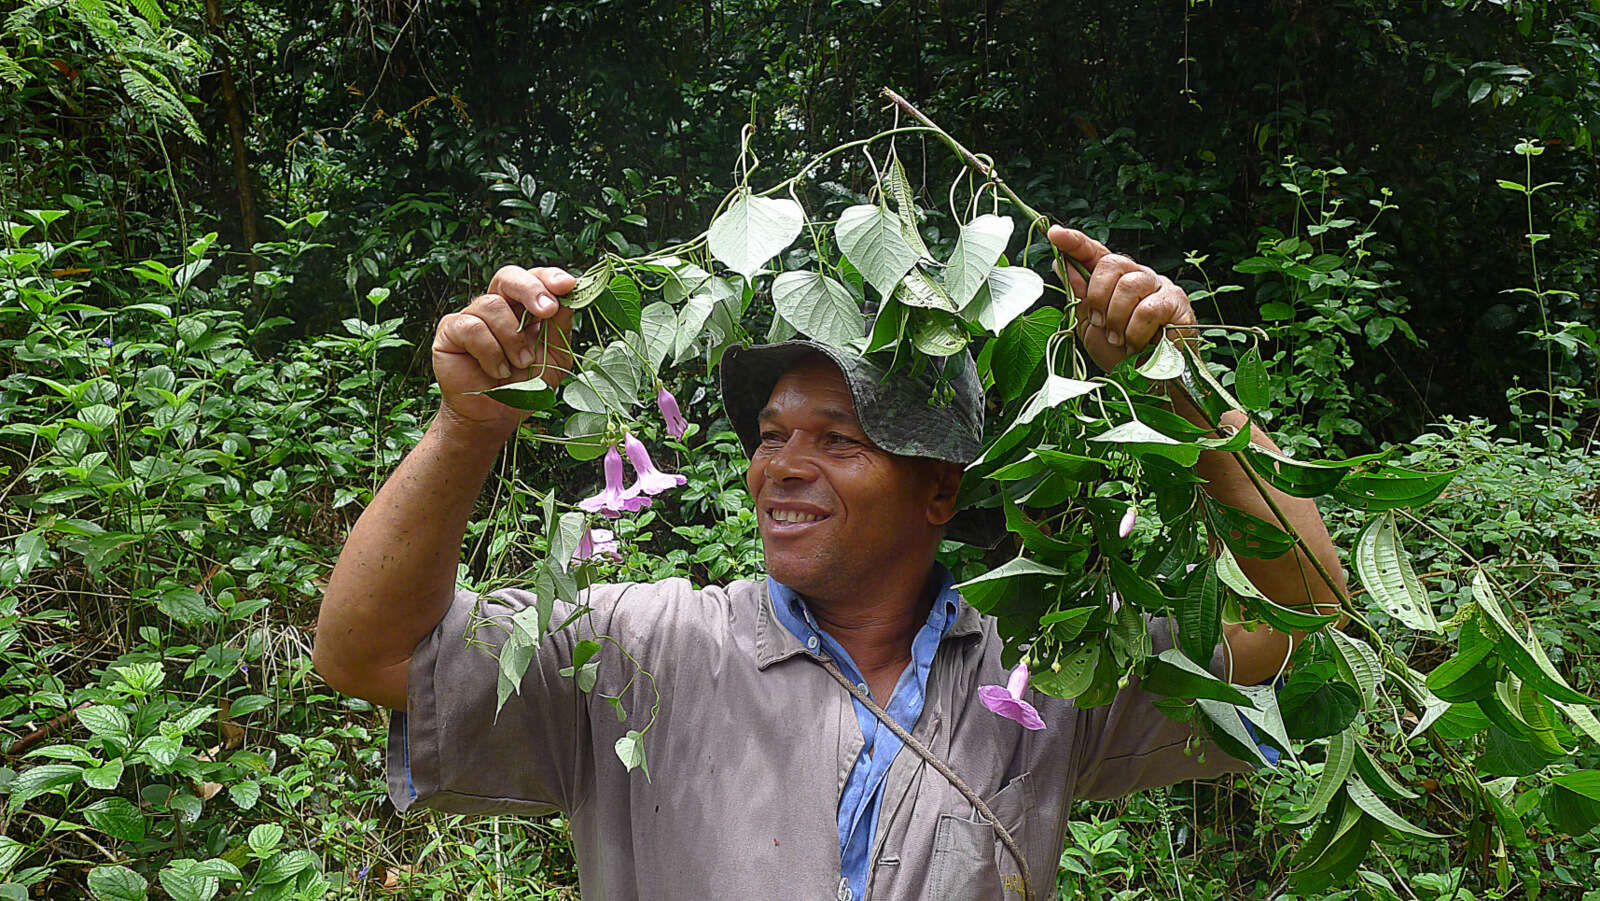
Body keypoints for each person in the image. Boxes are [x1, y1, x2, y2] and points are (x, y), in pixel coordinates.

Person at [313, 226, 1345, 901]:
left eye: (838, 442)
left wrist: (1186, 398)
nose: (781, 470)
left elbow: (1298, 615)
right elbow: (369, 653)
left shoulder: (1047, 666)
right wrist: (466, 429)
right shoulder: (643, 648)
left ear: (938, 492)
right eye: (770, 435)